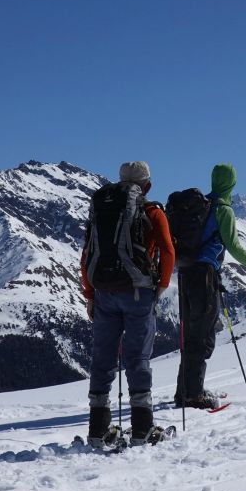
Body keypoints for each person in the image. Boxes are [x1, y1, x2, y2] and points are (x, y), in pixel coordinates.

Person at [81, 161, 175, 447]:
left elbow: (87, 254)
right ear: (147, 185)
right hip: (138, 293)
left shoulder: (103, 209)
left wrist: (90, 293)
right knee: (137, 359)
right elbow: (168, 251)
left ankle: (97, 430)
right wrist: (161, 286)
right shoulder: (152, 212)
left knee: (102, 359)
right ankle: (142, 428)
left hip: (104, 292)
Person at [175, 163, 246, 409]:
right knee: (202, 337)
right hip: (205, 276)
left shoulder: (199, 205)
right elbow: (235, 247)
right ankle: (193, 395)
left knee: (190, 334)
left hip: (185, 274)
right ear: (231, 183)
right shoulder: (222, 210)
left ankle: (185, 391)